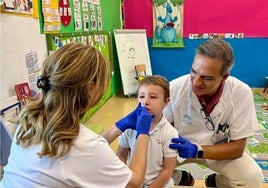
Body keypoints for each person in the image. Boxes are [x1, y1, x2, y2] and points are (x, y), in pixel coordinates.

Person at [0, 43, 153, 188]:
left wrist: (119, 127)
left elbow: (83, 156)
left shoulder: (29, 121)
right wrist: (143, 133)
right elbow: (134, 183)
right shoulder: (83, 145)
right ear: (90, 88)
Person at [164, 38, 264, 187]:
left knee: (252, 178)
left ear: (224, 77)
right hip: (178, 149)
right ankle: (180, 179)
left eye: (207, 77)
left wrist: (196, 150)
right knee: (142, 166)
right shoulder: (174, 88)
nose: (196, 82)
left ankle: (216, 182)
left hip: (217, 150)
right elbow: (158, 133)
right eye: (194, 72)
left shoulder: (241, 93)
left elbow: (237, 148)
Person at [117, 75, 178, 187]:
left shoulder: (170, 133)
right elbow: (121, 156)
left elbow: (167, 170)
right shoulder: (130, 127)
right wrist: (123, 180)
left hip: (158, 184)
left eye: (153, 97)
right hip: (133, 181)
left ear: (166, 102)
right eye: (141, 96)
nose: (145, 102)